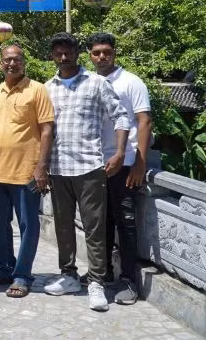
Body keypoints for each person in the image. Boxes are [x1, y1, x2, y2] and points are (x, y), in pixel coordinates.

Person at [42, 32, 130, 312]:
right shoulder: (47, 88)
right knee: (63, 226)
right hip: (58, 169)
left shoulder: (96, 83)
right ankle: (68, 275)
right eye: (58, 53)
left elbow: (120, 117)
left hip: (91, 167)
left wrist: (118, 153)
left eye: (68, 52)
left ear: (78, 53)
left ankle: (96, 282)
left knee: (94, 229)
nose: (64, 57)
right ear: (53, 56)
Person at [0, 45, 54, 298]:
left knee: (28, 225)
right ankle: (5, 267)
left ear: (24, 62)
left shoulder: (37, 90)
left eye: (16, 60)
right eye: (7, 60)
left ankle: (23, 275)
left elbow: (47, 130)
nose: (12, 64)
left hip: (27, 173)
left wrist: (42, 167)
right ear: (0, 64)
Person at [88, 32, 152, 305]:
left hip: (124, 164)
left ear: (115, 52)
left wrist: (139, 162)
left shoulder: (131, 82)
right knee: (100, 223)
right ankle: (101, 275)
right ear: (89, 55)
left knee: (126, 224)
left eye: (107, 51)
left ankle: (129, 280)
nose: (102, 57)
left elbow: (144, 121)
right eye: (96, 52)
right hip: (94, 163)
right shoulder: (89, 82)